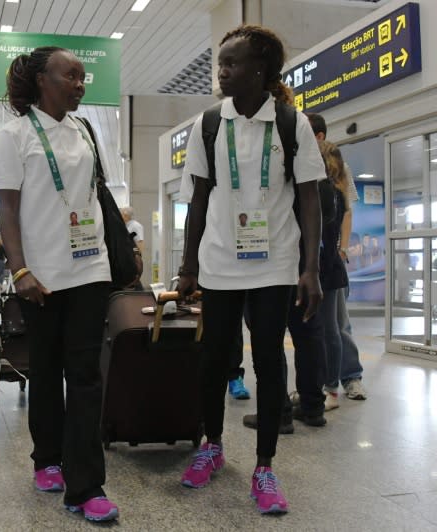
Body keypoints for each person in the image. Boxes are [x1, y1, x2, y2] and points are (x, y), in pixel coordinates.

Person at [176, 26, 325, 514]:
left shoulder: (290, 122)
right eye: (220, 63)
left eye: (232, 63)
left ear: (260, 70)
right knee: (213, 359)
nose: (222, 72)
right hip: (219, 261)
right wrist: (187, 265)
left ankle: (264, 466)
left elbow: (308, 199)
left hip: (275, 262)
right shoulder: (207, 123)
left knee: (268, 359)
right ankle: (212, 446)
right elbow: (198, 199)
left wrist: (310, 269)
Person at [0, 46, 119, 522]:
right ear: (42, 80)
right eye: (71, 75)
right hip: (40, 275)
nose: (80, 84)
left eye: (83, 77)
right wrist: (19, 270)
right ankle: (46, 457)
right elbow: (7, 210)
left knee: (85, 374)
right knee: (44, 370)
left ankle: (86, 486)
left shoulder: (83, 131)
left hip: (90, 267)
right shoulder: (13, 136)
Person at [306, 112, 366, 400]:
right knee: (322, 324)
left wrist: (341, 249)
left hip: (330, 259)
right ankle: (323, 381)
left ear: (318, 136)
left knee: (338, 323)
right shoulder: (303, 165)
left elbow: (346, 211)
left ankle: (350, 377)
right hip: (311, 260)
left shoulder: (340, 168)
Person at [316, 141, 352, 411]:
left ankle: (331, 388)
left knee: (330, 329)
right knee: (327, 329)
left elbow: (324, 236)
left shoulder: (330, 194)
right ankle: (325, 385)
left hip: (327, 269)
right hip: (328, 267)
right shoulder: (336, 193)